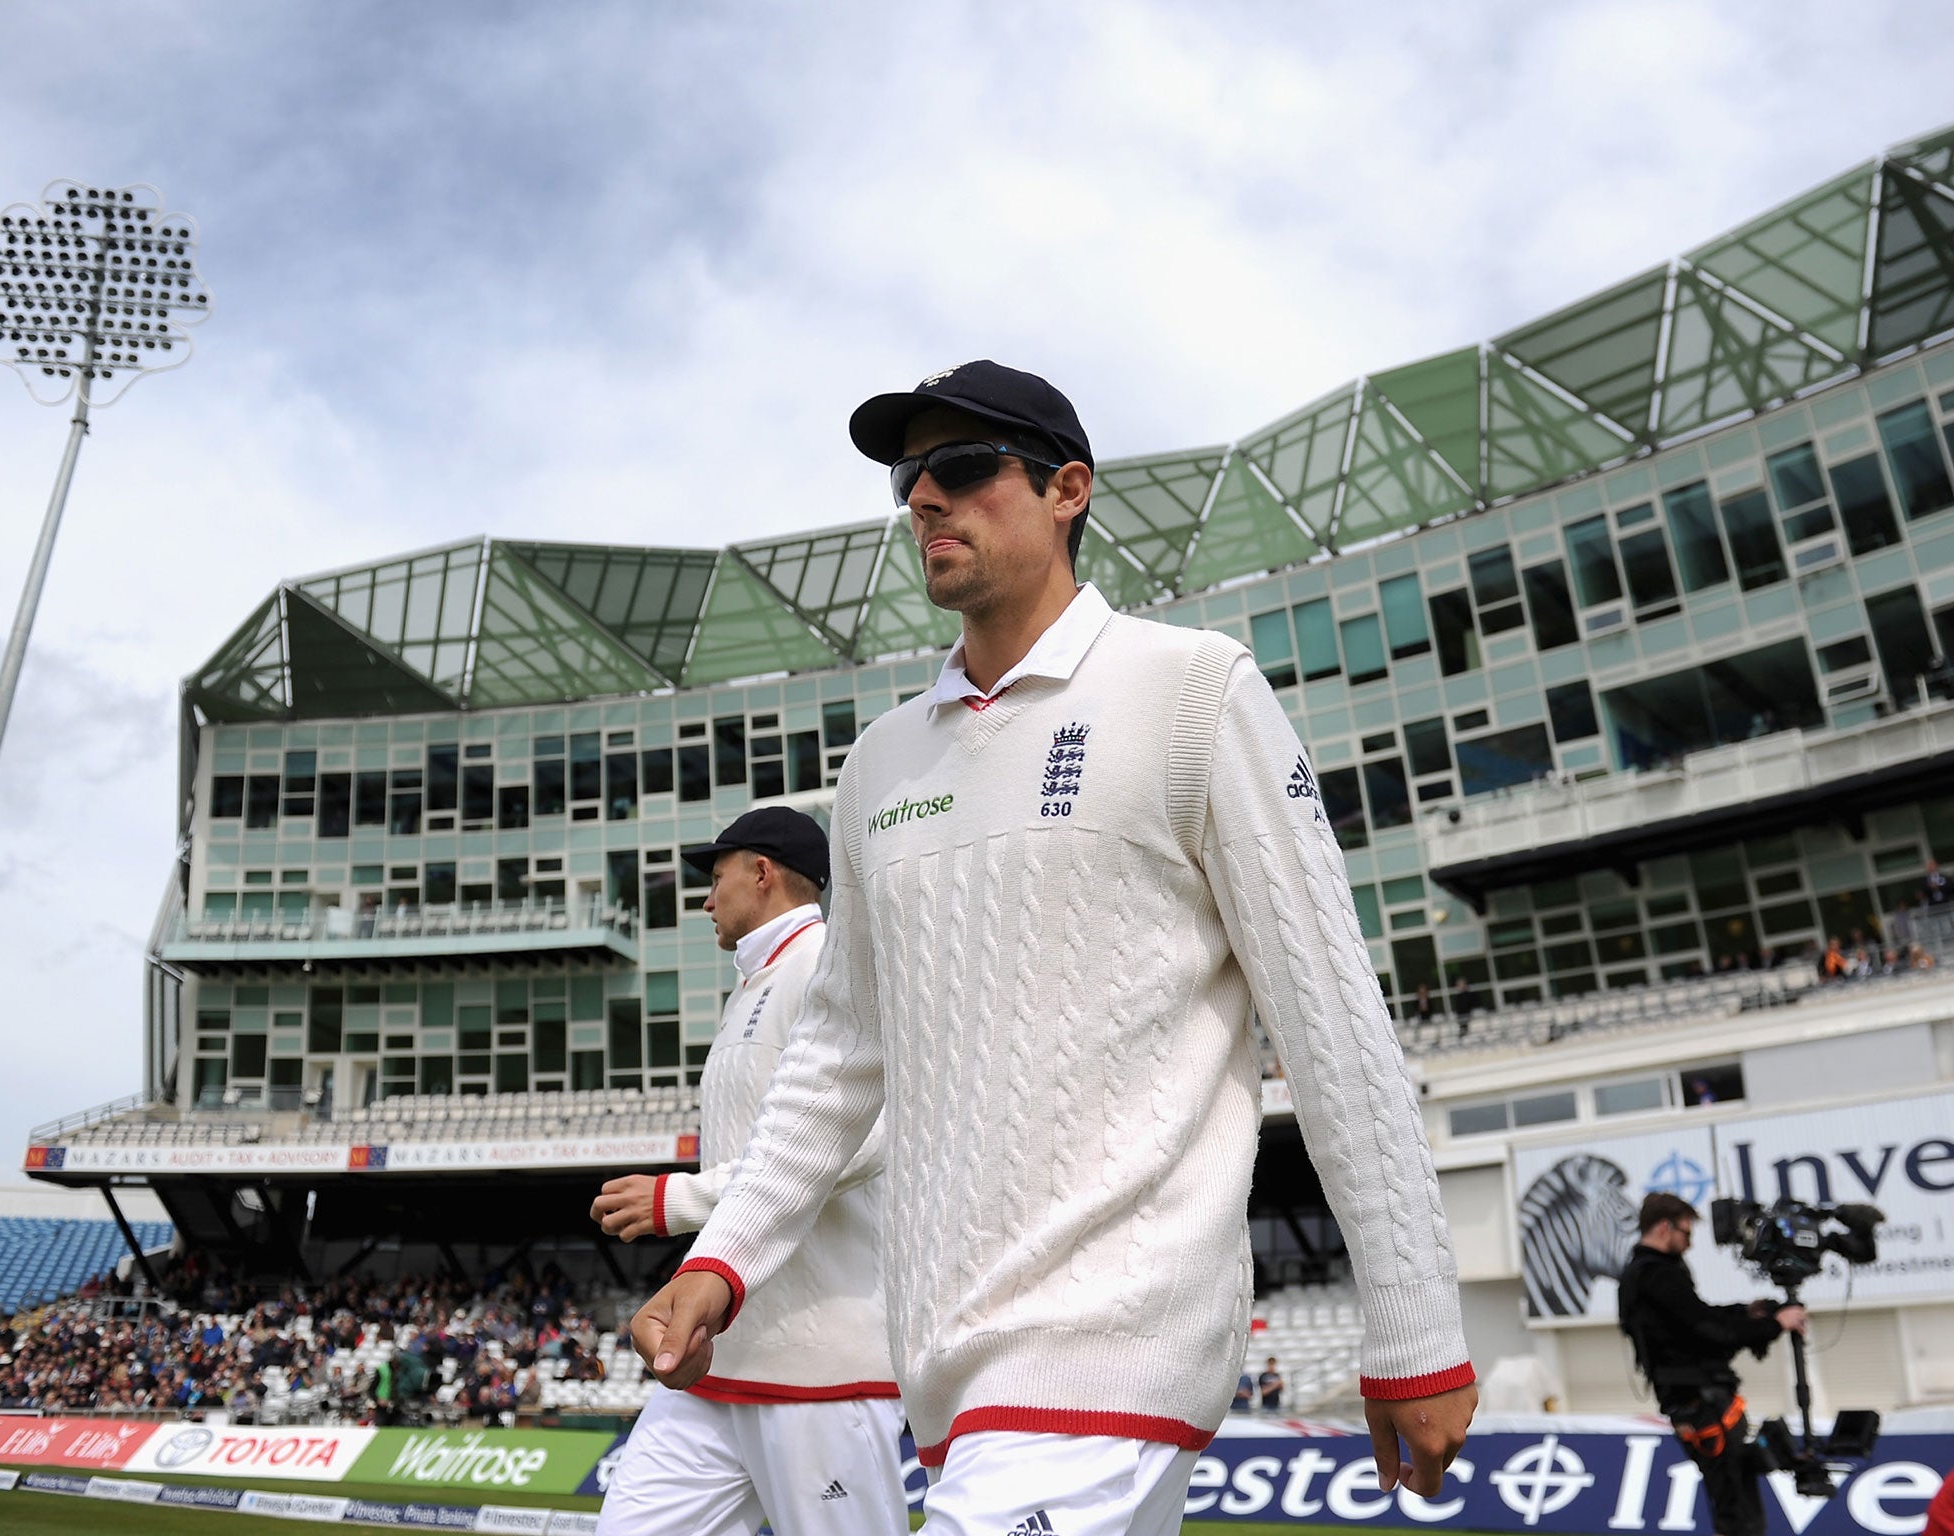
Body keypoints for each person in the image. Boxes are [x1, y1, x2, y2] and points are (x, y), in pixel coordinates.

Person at [625, 361, 1476, 1535]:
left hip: (1116, 1342)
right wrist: (719, 1259)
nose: (924, 500)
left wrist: (1415, 1326)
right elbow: (835, 1064)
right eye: (907, 479)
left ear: (1067, 488)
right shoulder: (879, 764)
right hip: (943, 1365)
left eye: (963, 469)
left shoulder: (1190, 689)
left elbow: (1329, 1021)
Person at [590, 807, 907, 1536]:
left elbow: (868, 1135)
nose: (706, 897)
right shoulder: (755, 985)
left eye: (717, 875)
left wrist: (685, 1199)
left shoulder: (828, 963)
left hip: (820, 1368)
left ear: (761, 873)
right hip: (718, 1360)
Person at [1617, 1192, 1806, 1536]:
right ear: (1664, 1228)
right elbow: (1707, 1332)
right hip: (1702, 1402)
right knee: (1736, 1506)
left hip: (1695, 1401)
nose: (1688, 1244)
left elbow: (1697, 1317)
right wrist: (1775, 1325)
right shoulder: (1656, 1275)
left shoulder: (1642, 1274)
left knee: (1735, 1494)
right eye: (1686, 1234)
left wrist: (1746, 1312)